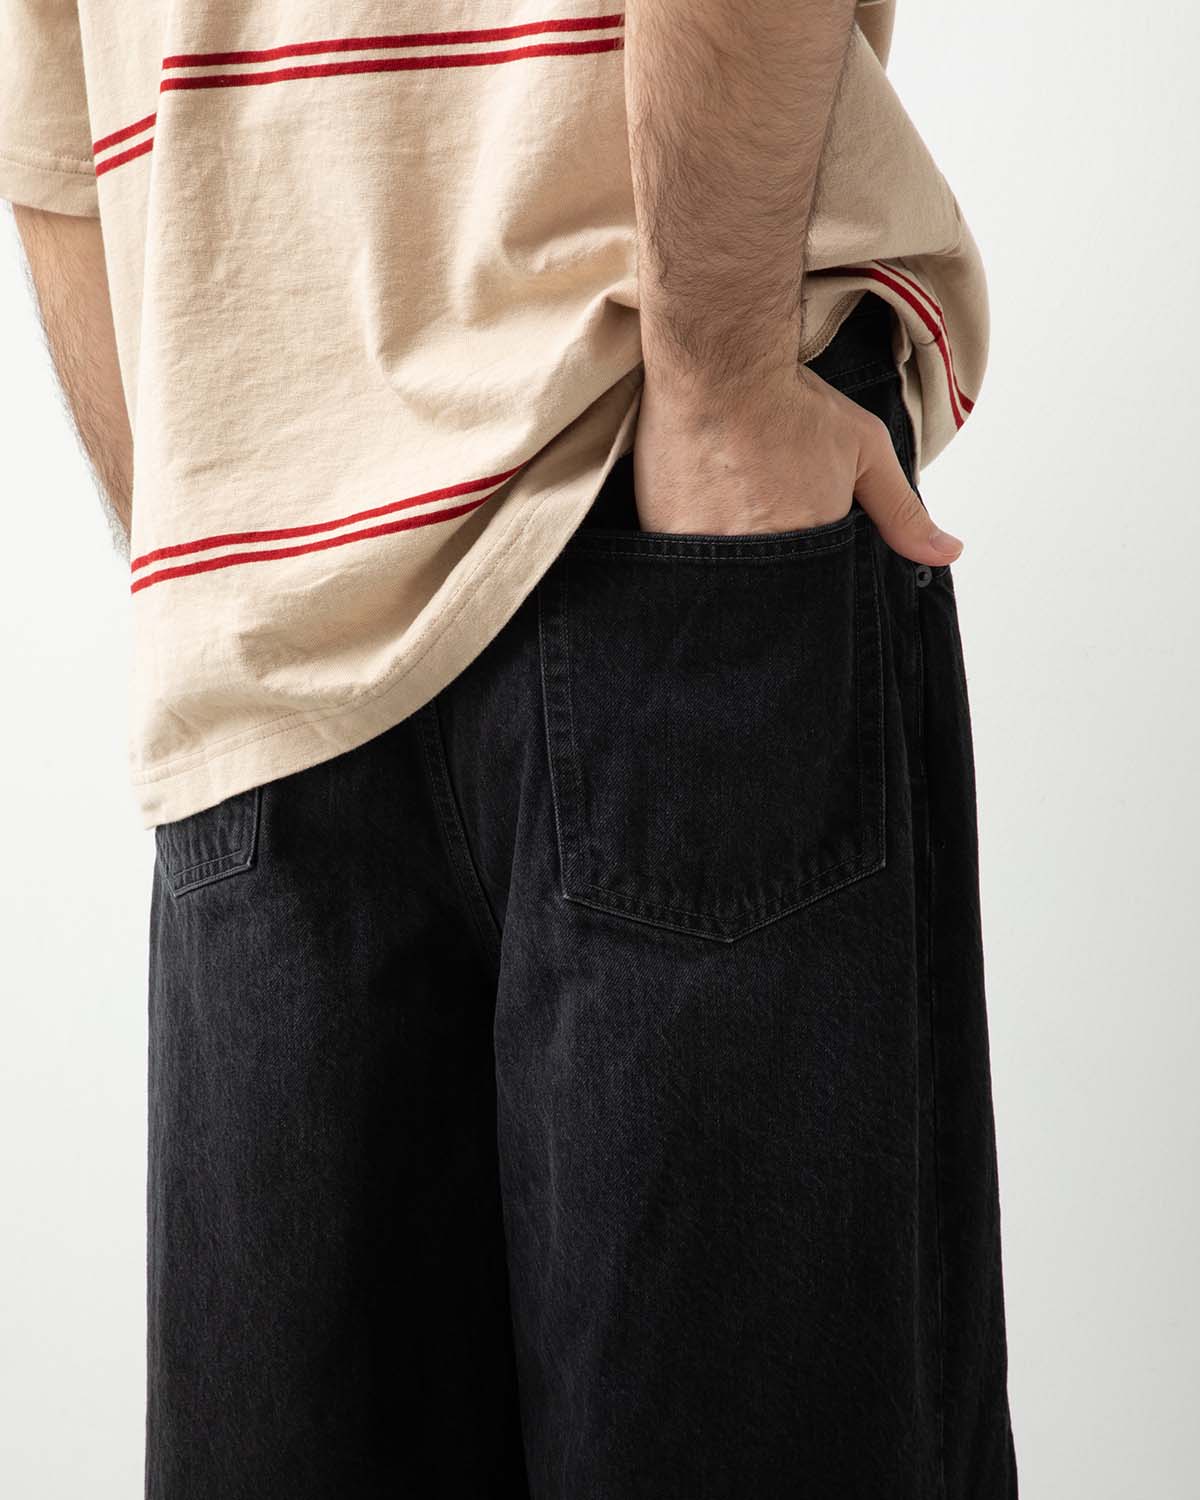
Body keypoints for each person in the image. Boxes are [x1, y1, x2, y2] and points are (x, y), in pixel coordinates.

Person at [1, 1, 1017, 1494]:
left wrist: (200, 536)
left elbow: (45, 121)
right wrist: (726, 389)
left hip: (323, 585)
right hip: (631, 478)